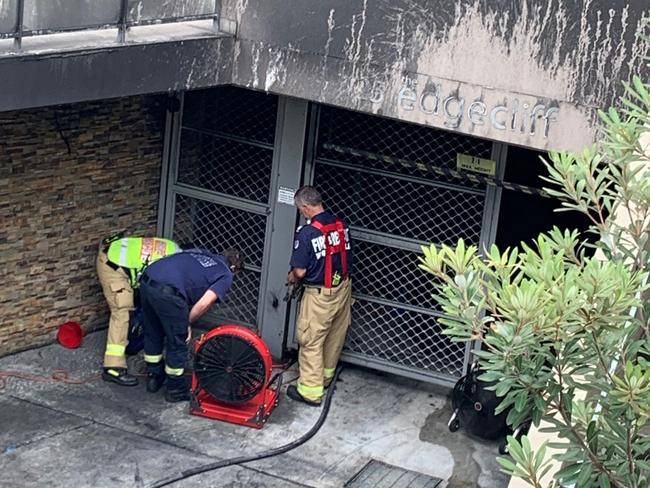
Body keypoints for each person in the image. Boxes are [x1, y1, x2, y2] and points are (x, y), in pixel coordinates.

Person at [139, 247, 244, 402]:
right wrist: (186, 322)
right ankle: (175, 389)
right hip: (169, 292)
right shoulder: (225, 274)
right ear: (234, 268)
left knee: (153, 330)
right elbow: (204, 303)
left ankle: (154, 377)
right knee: (178, 341)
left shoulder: (201, 253)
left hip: (148, 279)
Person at [286, 186, 353, 406]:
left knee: (311, 340)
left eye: (300, 209)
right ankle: (325, 378)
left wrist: (292, 278)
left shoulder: (307, 233)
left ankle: (311, 392)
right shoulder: (341, 226)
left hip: (319, 295)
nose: (302, 213)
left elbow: (300, 271)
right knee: (334, 336)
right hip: (343, 289)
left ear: (305, 207)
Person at [97, 235, 181, 386]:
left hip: (118, 252)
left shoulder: (173, 248)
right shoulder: (169, 268)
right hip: (113, 264)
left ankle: (130, 342)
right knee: (122, 312)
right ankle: (113, 367)